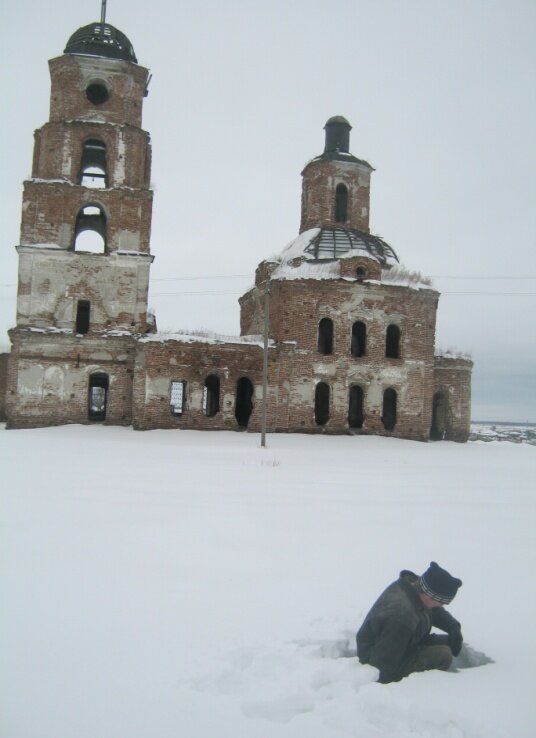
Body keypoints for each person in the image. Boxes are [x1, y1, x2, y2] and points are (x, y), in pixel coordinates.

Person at [356, 562, 463, 683]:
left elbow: (435, 610)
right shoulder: (401, 618)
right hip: (377, 658)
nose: (442, 606)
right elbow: (382, 666)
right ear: (431, 596)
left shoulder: (416, 588)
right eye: (442, 602)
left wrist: (453, 627)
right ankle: (425, 690)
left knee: (449, 642)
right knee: (443, 655)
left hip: (404, 643)